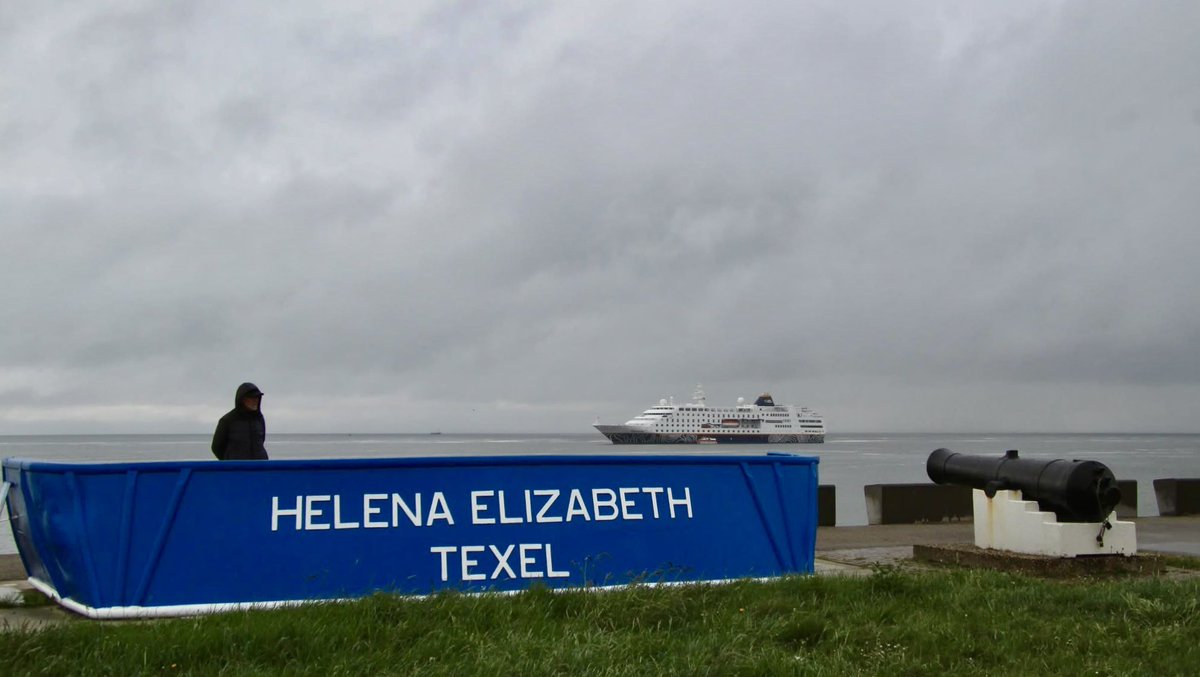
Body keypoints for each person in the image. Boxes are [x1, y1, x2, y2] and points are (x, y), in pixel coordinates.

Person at [211, 382, 268, 460]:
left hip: (260, 467)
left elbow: (261, 440)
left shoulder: (259, 419)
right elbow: (216, 447)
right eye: (252, 398)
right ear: (242, 400)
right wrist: (229, 462)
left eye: (257, 397)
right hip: (237, 469)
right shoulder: (227, 420)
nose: (255, 400)